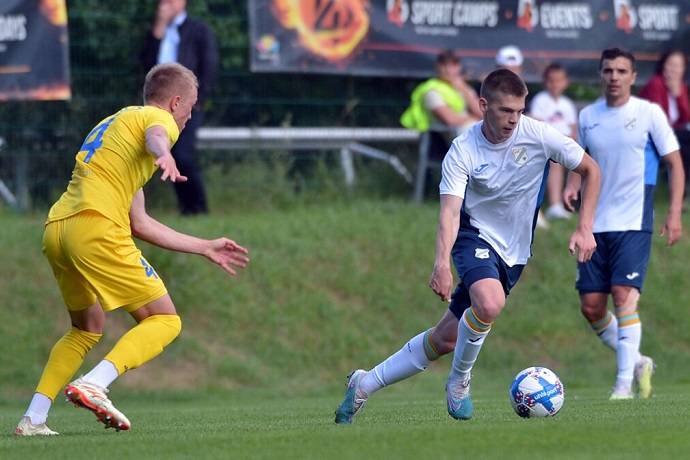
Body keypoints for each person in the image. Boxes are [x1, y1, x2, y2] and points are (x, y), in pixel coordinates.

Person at [335, 68, 601, 424]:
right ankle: (459, 382)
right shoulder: (463, 149)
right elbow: (449, 212)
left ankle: (364, 384)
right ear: (483, 105)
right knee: (490, 303)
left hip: (515, 252)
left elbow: (590, 169)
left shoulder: (536, 134)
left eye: (519, 111)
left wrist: (585, 228)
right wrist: (441, 263)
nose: (514, 119)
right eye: (506, 110)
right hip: (472, 236)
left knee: (446, 338)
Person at [14, 63, 249, 436]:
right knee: (165, 321)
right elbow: (159, 134)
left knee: (87, 328)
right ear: (175, 102)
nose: (189, 115)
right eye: (190, 106)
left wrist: (204, 246)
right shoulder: (158, 124)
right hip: (96, 228)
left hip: (58, 230)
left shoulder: (118, 128)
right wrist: (164, 153)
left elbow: (140, 224)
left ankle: (33, 419)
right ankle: (95, 383)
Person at [564, 48, 684, 400]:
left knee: (624, 298)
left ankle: (622, 387)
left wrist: (674, 212)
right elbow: (580, 161)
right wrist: (573, 185)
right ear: (600, 75)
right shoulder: (587, 116)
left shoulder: (648, 114)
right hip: (593, 224)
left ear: (633, 77)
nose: (614, 76)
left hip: (633, 222)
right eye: (608, 70)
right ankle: (638, 361)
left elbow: (674, 164)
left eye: (621, 71)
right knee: (591, 307)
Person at [140, 0, 219, 215]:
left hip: (186, 104)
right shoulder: (158, 31)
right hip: (160, 106)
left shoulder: (199, 30)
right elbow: (146, 64)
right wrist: (159, 26)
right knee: (169, 153)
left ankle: (199, 207)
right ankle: (187, 208)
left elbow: (209, 66)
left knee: (183, 155)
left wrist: (196, 101)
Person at [401, 49, 482, 157]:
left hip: (468, 137)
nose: (448, 70)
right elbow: (451, 120)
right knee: (473, 130)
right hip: (445, 140)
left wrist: (463, 89)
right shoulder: (431, 90)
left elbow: (481, 113)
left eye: (453, 65)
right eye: (444, 65)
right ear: (437, 67)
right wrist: (475, 119)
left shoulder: (463, 87)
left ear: (459, 67)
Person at [529, 63, 578, 220]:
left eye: (559, 80)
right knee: (555, 163)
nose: (555, 84)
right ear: (545, 82)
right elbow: (537, 124)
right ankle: (554, 204)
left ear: (566, 82)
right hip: (546, 145)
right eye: (551, 80)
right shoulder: (540, 100)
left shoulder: (567, 104)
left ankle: (572, 202)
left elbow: (573, 129)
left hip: (566, 145)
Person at [639, 50, 690, 200]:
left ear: (683, 69)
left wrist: (678, 94)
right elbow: (659, 119)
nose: (673, 70)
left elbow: (686, 118)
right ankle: (679, 194)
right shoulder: (656, 83)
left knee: (686, 149)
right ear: (663, 66)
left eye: (677, 66)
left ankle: (679, 193)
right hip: (650, 135)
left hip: (672, 135)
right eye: (670, 65)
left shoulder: (681, 88)